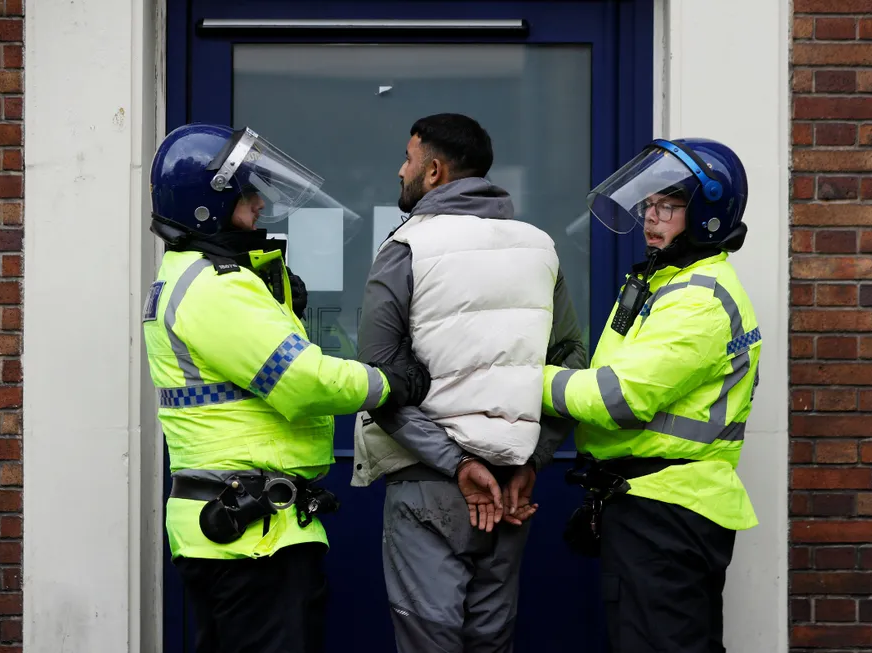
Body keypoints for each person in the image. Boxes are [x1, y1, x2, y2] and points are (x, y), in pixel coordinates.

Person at [142, 122, 431, 653]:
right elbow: (302, 382)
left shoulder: (195, 276)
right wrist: (391, 382)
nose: (257, 202)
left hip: (236, 527)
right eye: (245, 191)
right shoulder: (216, 288)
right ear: (210, 203)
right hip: (254, 536)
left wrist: (280, 306)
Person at [352, 113, 586, 652]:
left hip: (429, 483)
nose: (400, 169)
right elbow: (569, 360)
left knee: (429, 640)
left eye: (408, 159)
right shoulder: (538, 247)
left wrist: (458, 464)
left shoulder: (407, 246)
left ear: (433, 171)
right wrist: (533, 458)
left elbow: (378, 380)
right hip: (508, 487)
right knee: (491, 640)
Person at [542, 138, 760, 653]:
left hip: (666, 510)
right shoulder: (664, 283)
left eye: (669, 205)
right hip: (652, 503)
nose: (651, 217)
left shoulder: (698, 300)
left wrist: (521, 379)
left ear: (706, 214)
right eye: (649, 203)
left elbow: (616, 398)